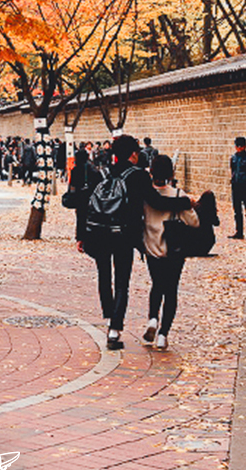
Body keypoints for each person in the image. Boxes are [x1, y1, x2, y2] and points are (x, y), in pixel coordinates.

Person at [78, 134, 193, 351]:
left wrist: (81, 235)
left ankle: (109, 319)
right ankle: (115, 329)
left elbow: (85, 205)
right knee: (121, 282)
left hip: (99, 232)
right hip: (123, 235)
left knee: (104, 277)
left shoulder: (101, 172)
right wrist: (186, 201)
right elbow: (157, 202)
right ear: (133, 154)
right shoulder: (138, 176)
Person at [142, 154, 200, 351]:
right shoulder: (178, 196)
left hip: (152, 248)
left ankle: (152, 318)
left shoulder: (147, 196)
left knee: (157, 285)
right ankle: (163, 335)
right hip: (174, 250)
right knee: (171, 290)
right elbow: (194, 222)